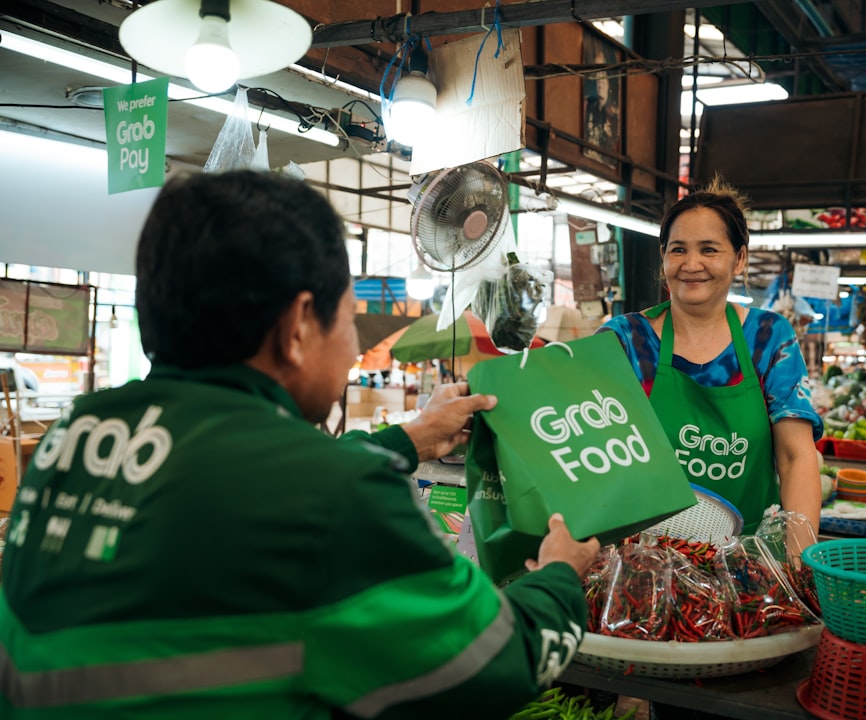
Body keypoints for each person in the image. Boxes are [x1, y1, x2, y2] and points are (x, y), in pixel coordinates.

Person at [0, 170, 600, 718]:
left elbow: (240, 481)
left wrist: (411, 437)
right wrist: (558, 576)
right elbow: (496, 663)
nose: (351, 346)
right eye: (350, 316)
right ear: (297, 326)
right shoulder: (330, 495)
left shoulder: (77, 433)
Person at [600, 178, 824, 535]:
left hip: (747, 556)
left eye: (709, 250)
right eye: (678, 250)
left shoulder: (768, 338)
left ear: (739, 259)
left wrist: (798, 561)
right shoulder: (625, 340)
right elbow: (588, 451)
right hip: (641, 556)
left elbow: (795, 457)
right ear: (663, 257)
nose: (691, 264)